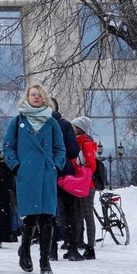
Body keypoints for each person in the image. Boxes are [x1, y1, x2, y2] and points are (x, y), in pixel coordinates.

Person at [3, 84, 65, 274]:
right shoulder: (18, 121)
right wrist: (16, 166)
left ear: (44, 98)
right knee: (30, 218)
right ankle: (24, 250)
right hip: (27, 175)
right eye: (33, 94)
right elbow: (8, 147)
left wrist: (55, 166)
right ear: (27, 97)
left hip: (47, 175)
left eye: (39, 95)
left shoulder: (52, 122)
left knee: (48, 218)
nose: (36, 97)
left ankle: (45, 262)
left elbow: (60, 149)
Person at [50, 98, 81, 263]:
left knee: (49, 212)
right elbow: (73, 150)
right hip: (65, 173)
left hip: (48, 172)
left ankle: (51, 248)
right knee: (70, 211)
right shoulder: (65, 125)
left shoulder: (40, 124)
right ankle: (72, 248)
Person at [69, 116, 98, 260]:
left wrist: (78, 169)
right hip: (78, 184)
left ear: (79, 128)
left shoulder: (86, 144)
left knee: (87, 215)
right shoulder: (76, 143)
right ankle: (77, 243)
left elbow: (91, 165)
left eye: (73, 126)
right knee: (77, 216)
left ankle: (91, 247)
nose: (71, 128)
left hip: (86, 185)